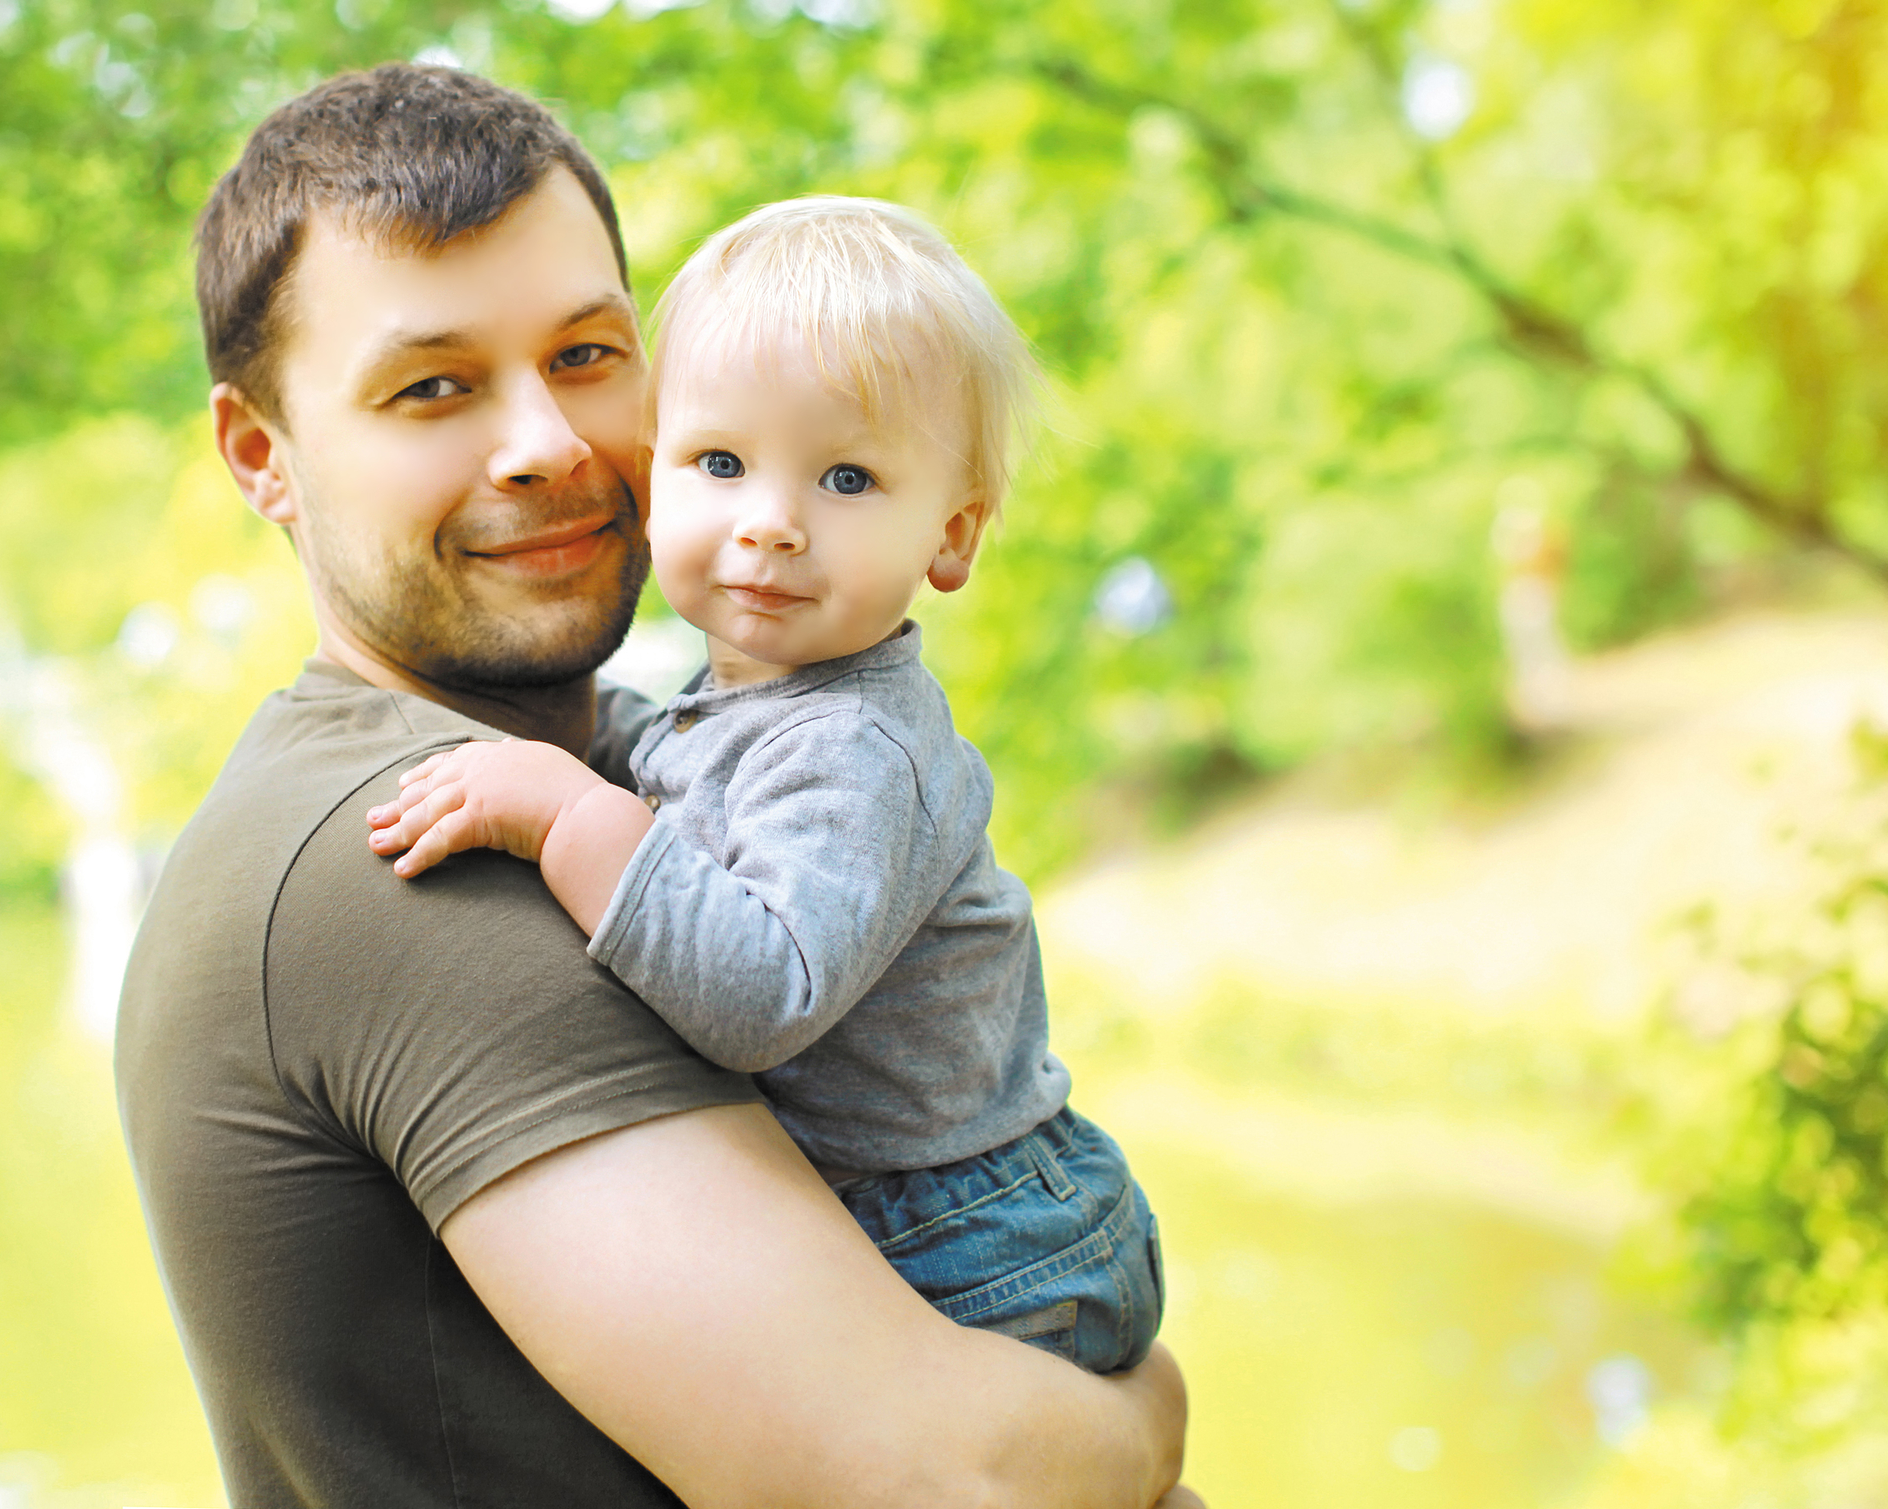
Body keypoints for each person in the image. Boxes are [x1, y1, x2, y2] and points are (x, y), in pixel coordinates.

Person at [115, 63, 1191, 1508]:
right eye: (432, 386)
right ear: (264, 455)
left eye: (585, 355)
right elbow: (949, 1483)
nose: (549, 444)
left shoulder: (643, 742)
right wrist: (1143, 1423)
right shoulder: (400, 855)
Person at [367, 196, 1163, 1375]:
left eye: (846, 478)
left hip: (972, 1234)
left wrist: (569, 815)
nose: (771, 524)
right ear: (653, 471)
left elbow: (763, 992)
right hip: (913, 1208)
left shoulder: (851, 745)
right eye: (722, 462)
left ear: (949, 538)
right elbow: (684, 792)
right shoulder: (741, 703)